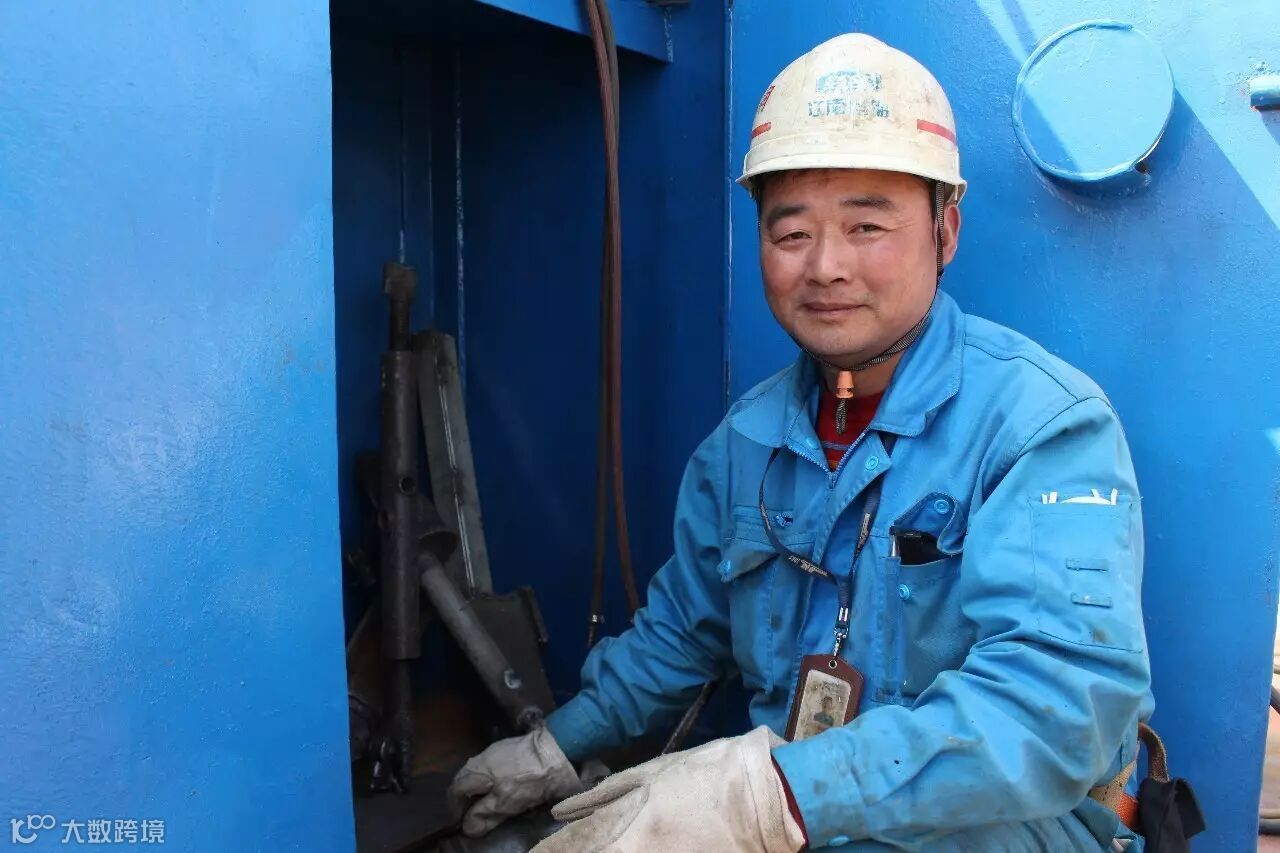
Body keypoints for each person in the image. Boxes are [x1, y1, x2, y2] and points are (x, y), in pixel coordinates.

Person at [449, 32, 1150, 852]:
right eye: (791, 235)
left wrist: (772, 793)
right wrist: (558, 748)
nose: (825, 267)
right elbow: (682, 632)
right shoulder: (743, 445)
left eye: (867, 226)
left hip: (1005, 829)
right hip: (803, 825)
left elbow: (1056, 708)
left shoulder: (1041, 426)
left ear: (946, 230)